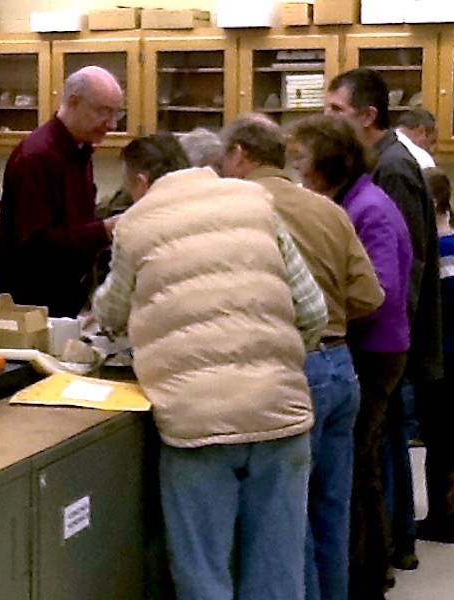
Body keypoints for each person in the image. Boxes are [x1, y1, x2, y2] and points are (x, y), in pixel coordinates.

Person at [92, 132, 328, 600]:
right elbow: (314, 310)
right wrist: (270, 361)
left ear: (141, 182)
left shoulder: (135, 224)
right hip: (278, 414)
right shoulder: (254, 201)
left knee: (204, 575)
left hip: (196, 425)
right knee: (279, 574)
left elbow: (111, 313)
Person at [220, 114, 385, 600]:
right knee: (332, 510)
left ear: (238, 156)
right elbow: (370, 296)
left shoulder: (241, 208)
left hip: (292, 369)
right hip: (340, 367)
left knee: (290, 519)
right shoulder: (329, 209)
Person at [288, 113, 413, 600]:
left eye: (302, 159)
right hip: (363, 345)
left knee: (359, 472)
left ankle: (368, 575)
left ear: (327, 162)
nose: (296, 169)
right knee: (356, 469)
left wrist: (323, 313)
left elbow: (382, 288)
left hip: (373, 348)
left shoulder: (370, 207)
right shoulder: (349, 202)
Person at [326, 67, 443, 571]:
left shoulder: (390, 169)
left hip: (388, 335)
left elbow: (402, 264)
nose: (326, 118)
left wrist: (396, 332)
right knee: (384, 440)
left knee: (382, 443)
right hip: (391, 333)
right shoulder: (384, 162)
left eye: (336, 111)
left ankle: (391, 545)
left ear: (367, 116)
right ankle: (394, 542)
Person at [0, 65, 122, 317]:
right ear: (73, 102)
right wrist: (103, 231)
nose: (113, 124)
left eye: (117, 114)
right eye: (104, 112)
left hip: (64, 296)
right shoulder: (37, 157)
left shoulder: (80, 151)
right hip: (30, 303)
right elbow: (35, 248)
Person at [416, 167, 454, 544]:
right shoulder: (448, 239)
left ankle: (444, 517)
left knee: (442, 440)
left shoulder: (442, 248)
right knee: (453, 437)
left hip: (450, 354)